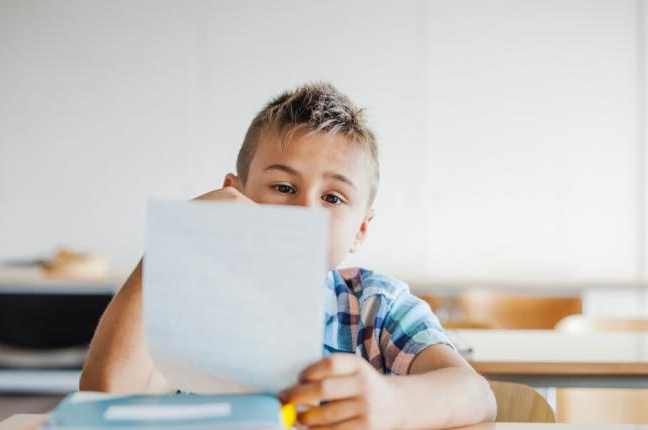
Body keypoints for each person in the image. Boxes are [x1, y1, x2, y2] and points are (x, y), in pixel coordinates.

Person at [80, 82, 496, 429]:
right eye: (283, 187)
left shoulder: (376, 306)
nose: (304, 213)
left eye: (332, 197)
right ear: (234, 194)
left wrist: (394, 402)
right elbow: (105, 397)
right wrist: (174, 246)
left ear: (360, 230)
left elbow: (475, 395)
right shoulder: (193, 300)